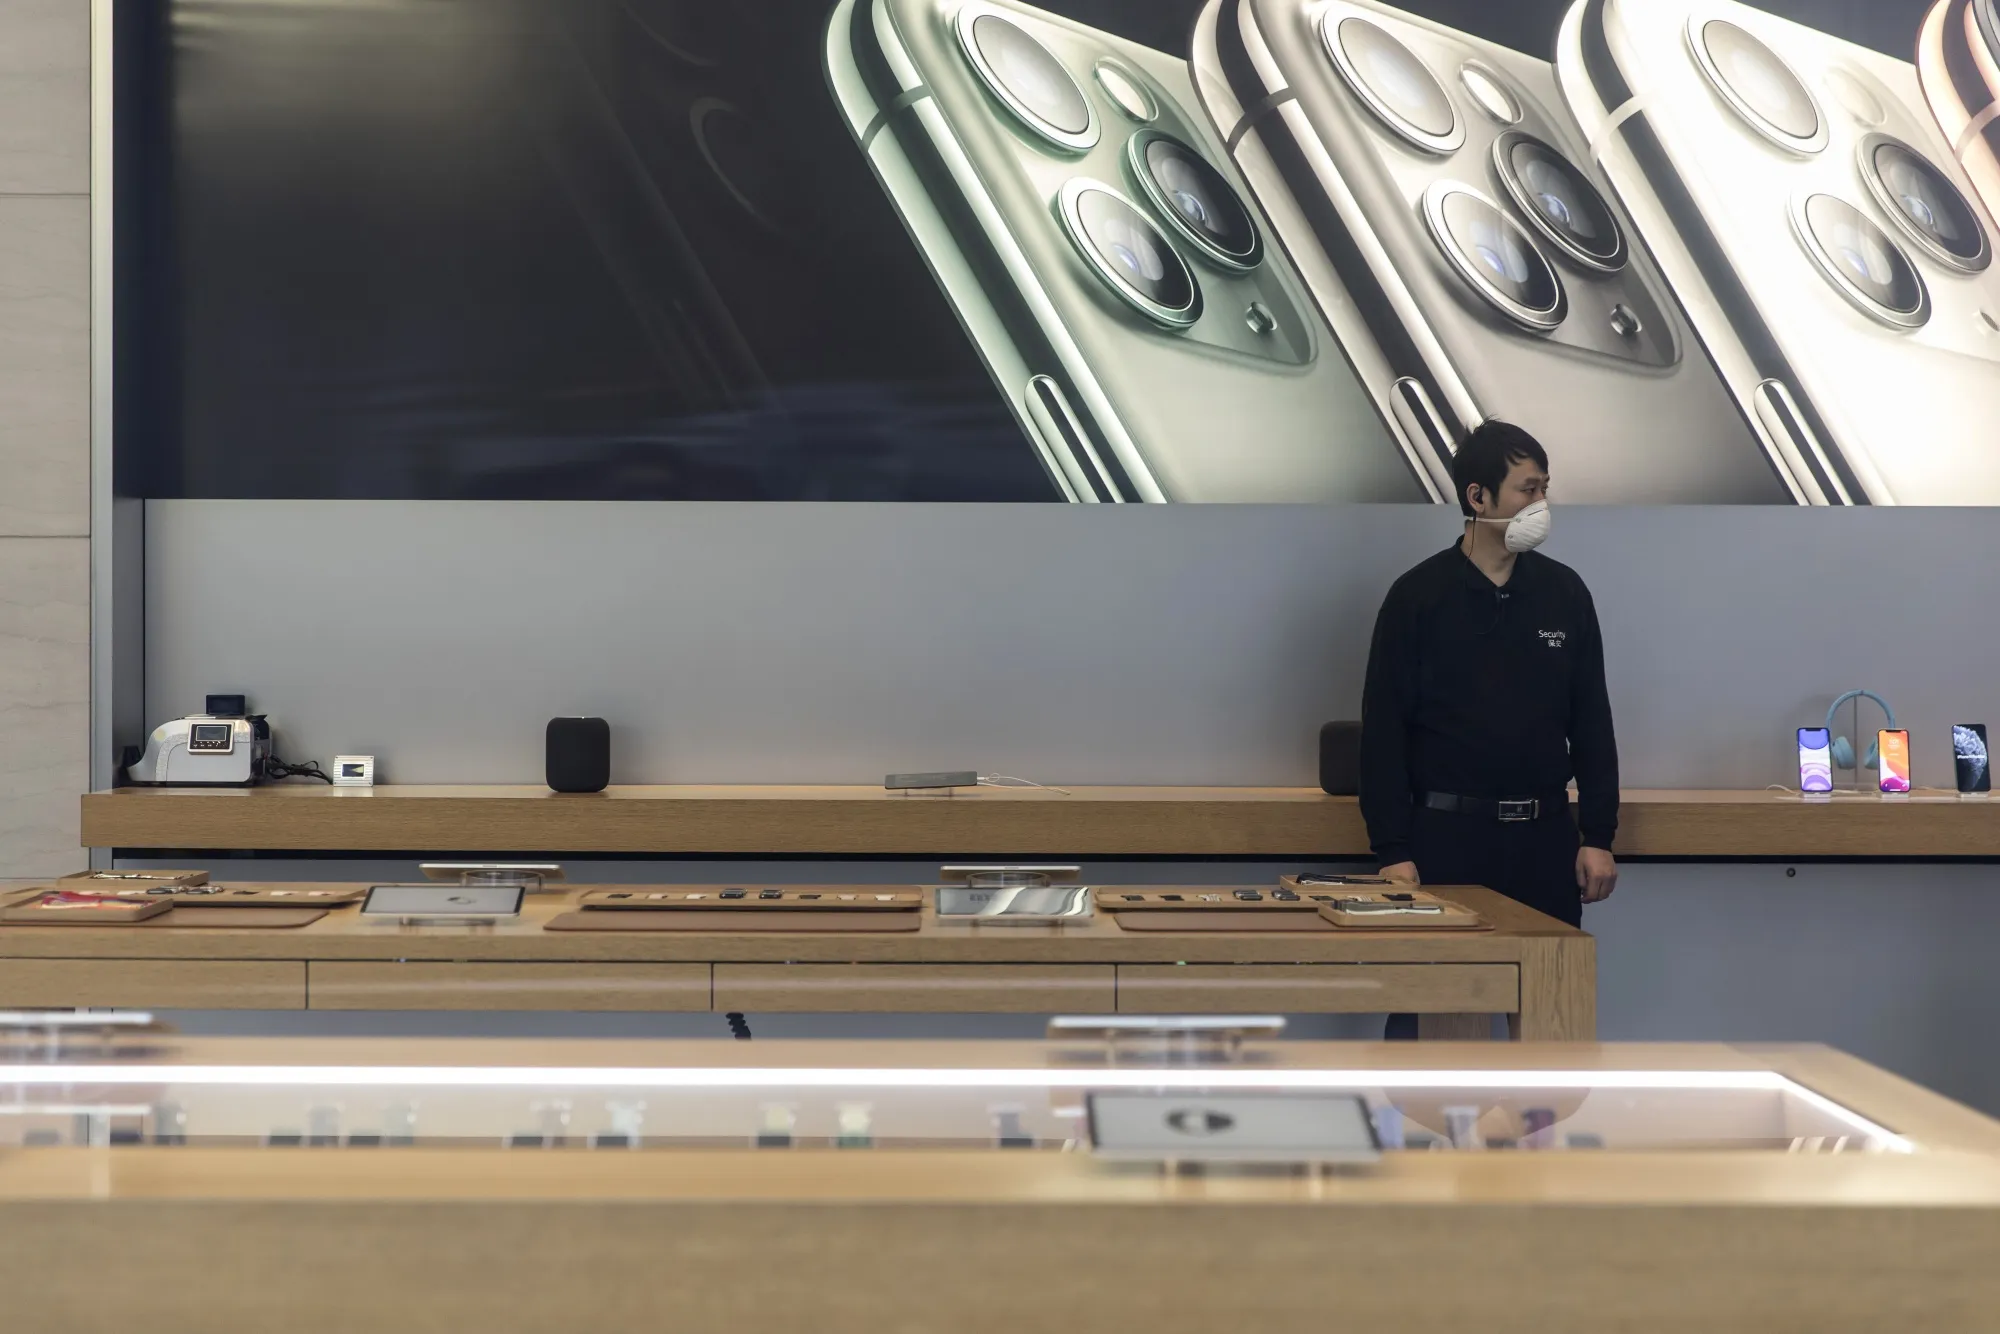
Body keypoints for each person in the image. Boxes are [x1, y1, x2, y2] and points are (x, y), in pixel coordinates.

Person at [1359, 420, 1619, 985]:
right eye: (1528, 489)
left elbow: (1592, 721)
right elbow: (1382, 731)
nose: (1542, 503)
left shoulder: (1564, 592)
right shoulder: (1417, 597)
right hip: (1445, 841)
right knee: (1434, 1010)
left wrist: (1598, 835)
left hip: (1545, 838)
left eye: (1545, 488)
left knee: (1553, 1007)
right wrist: (1392, 849)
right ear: (1479, 497)